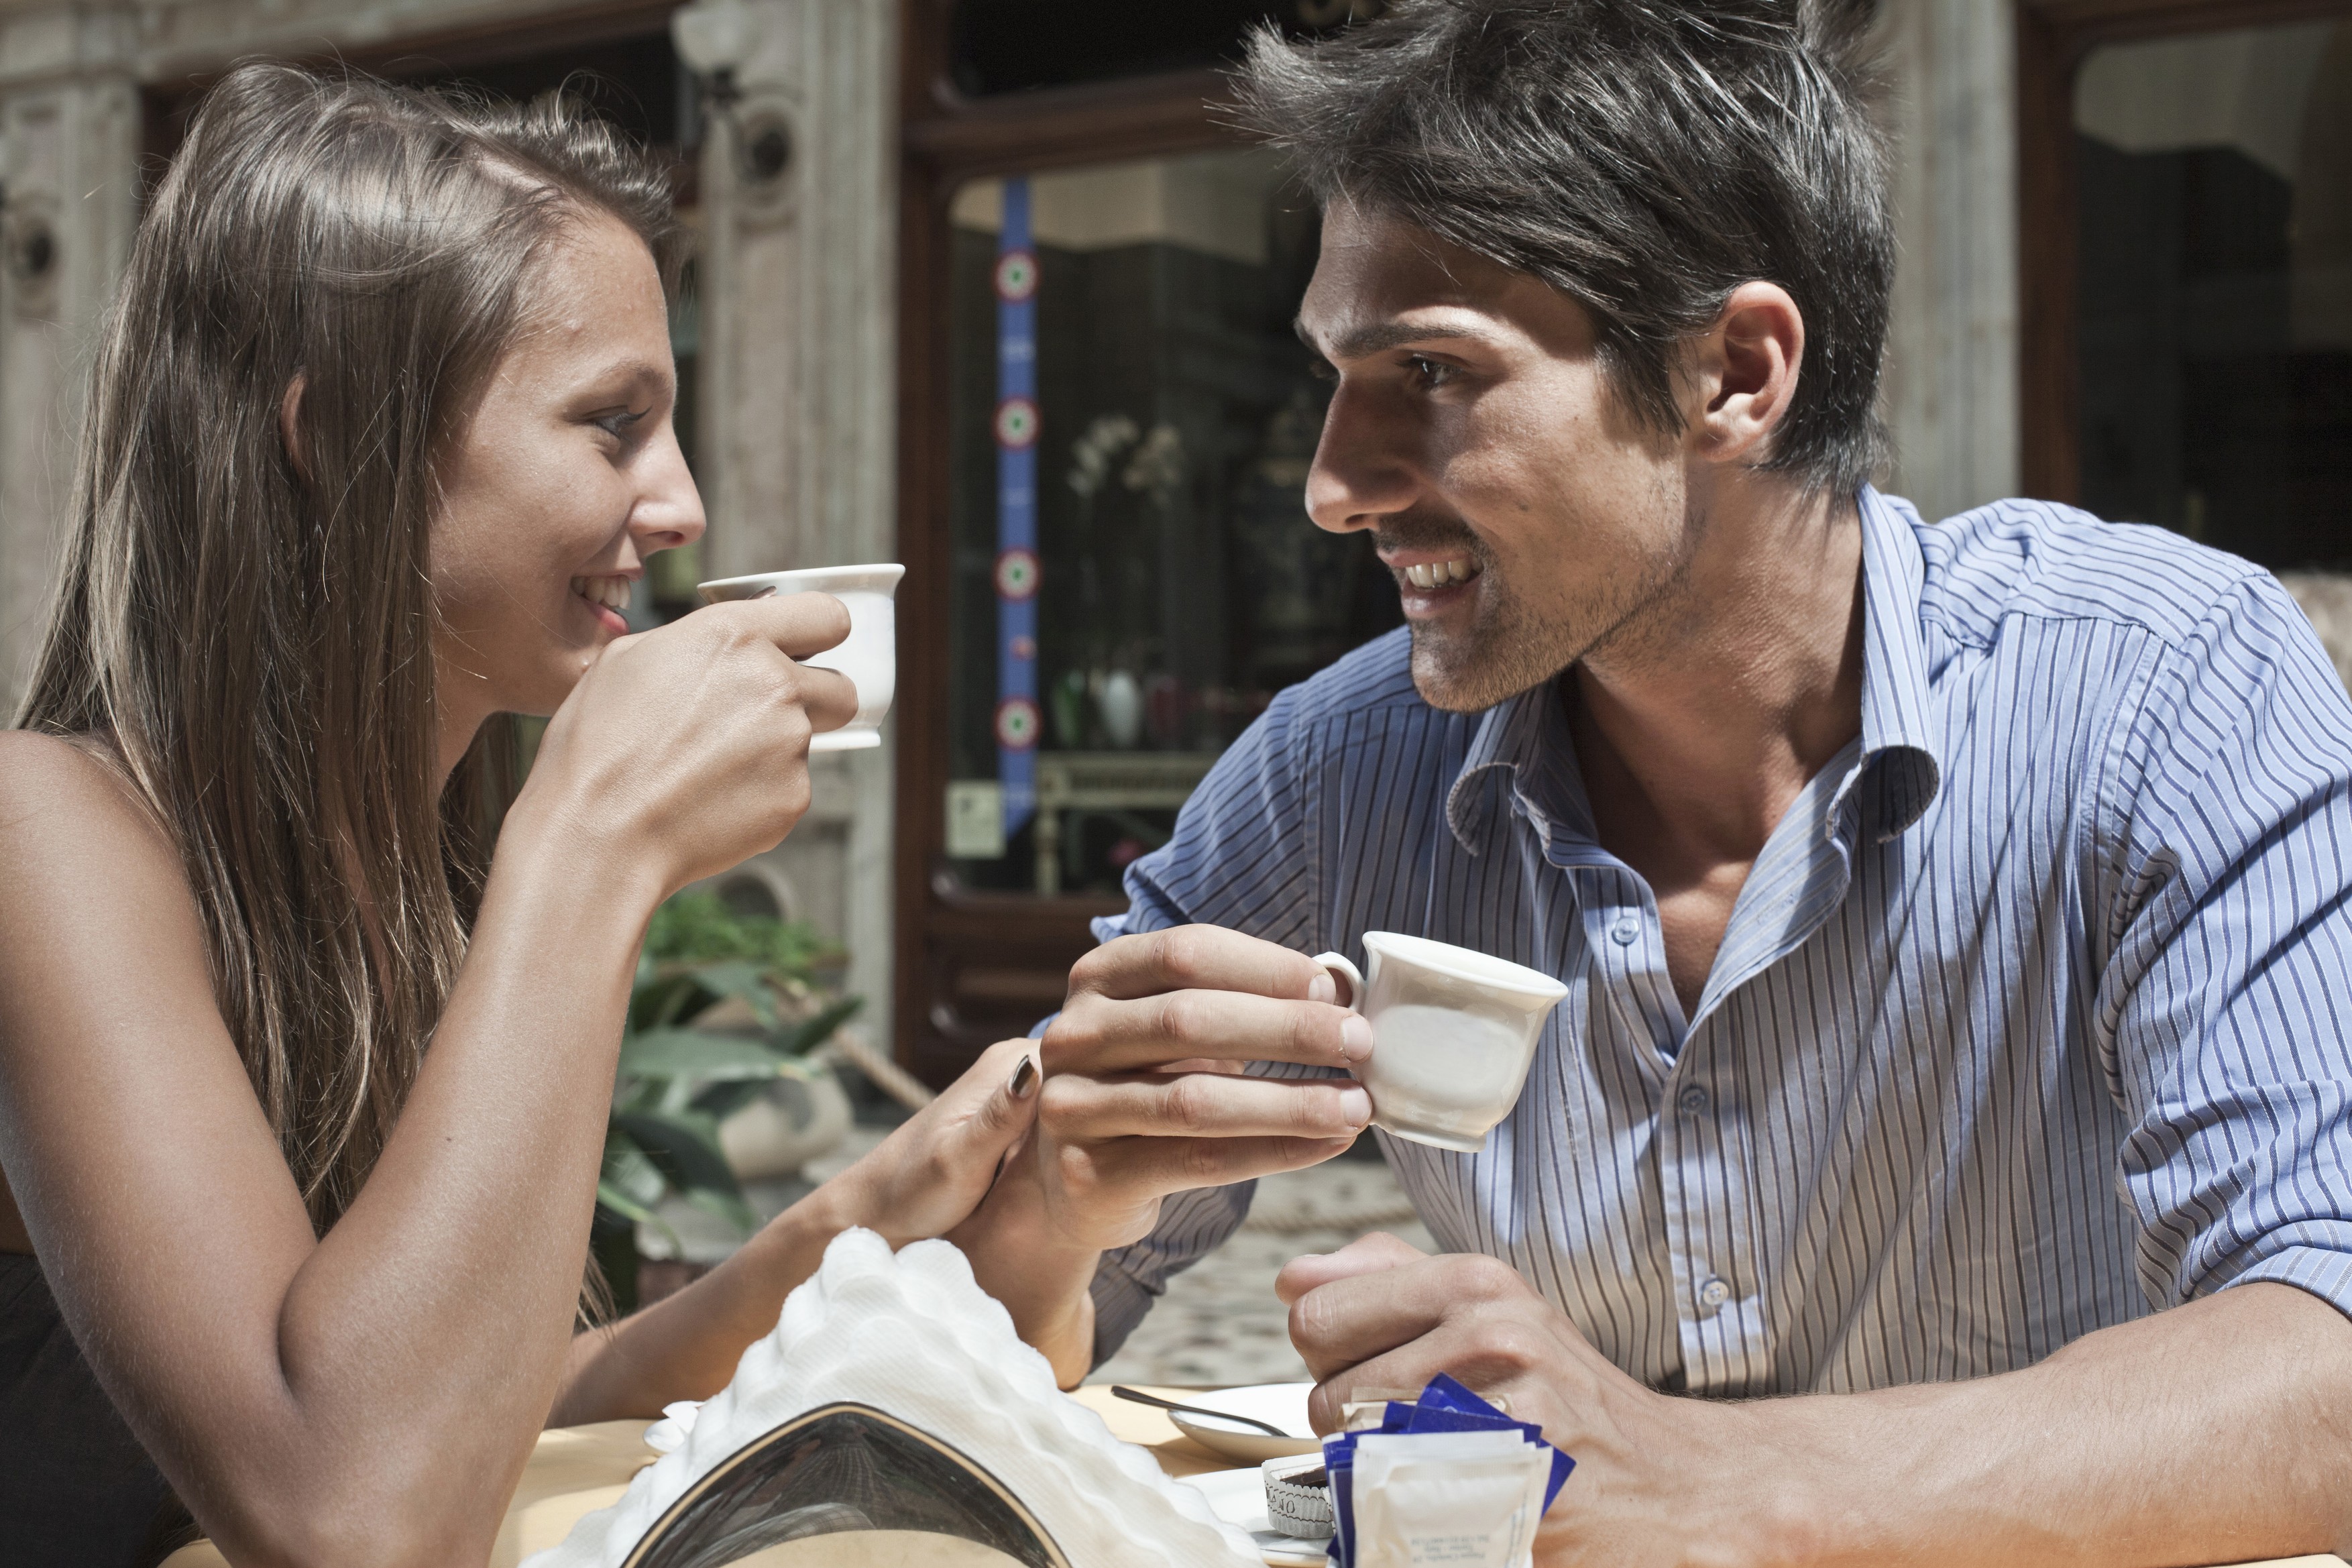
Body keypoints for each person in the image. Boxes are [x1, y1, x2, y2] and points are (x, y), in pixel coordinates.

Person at [948, 1, 2352, 1561]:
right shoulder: (1334, 773)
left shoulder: (2159, 686)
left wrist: (1698, 1475)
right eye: (1335, 376)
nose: (1329, 486)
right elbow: (952, 1367)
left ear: (1731, 375)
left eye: (1427, 370)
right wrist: (1052, 1201)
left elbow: (2325, 1368)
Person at [0, 65, 1039, 1567]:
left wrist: (850, 1226)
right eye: (612, 424)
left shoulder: (425, 843)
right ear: (335, 436)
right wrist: (596, 843)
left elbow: (461, 1405)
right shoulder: (47, 833)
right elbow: (355, 1515)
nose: (680, 504)